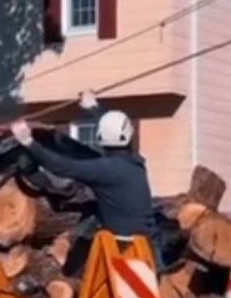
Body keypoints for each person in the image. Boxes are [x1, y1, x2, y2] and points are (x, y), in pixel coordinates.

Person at [8, 91, 156, 246]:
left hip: (121, 246)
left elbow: (61, 166)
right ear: (131, 135)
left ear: (99, 137)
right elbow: (112, 130)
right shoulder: (133, 162)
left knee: (76, 261)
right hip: (148, 242)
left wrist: (29, 142)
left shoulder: (104, 170)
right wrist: (93, 107)